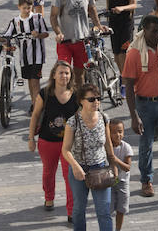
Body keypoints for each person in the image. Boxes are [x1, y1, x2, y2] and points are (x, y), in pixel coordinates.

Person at [122, 14, 158, 198]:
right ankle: (146, 180)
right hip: (144, 105)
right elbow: (129, 87)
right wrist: (133, 116)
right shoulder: (134, 53)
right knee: (145, 144)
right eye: (154, 31)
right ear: (144, 31)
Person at [62, 82, 118, 231]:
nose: (96, 102)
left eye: (98, 98)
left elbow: (108, 145)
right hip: (79, 170)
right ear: (81, 101)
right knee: (79, 209)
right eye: (91, 99)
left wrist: (113, 164)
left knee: (104, 211)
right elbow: (65, 149)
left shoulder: (104, 117)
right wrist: (75, 166)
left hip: (100, 169)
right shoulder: (73, 122)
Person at [29, 60, 77, 218]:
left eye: (67, 73)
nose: (64, 75)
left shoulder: (77, 94)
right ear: (54, 75)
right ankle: (49, 197)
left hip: (69, 145)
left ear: (71, 76)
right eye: (61, 72)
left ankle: (71, 212)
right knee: (49, 172)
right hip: (47, 141)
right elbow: (35, 115)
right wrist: (31, 138)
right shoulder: (45, 93)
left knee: (69, 177)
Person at [52, 0, 105, 82]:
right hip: (65, 42)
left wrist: (98, 25)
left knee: (79, 75)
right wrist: (58, 32)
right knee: (63, 74)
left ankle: (78, 99)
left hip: (82, 42)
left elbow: (92, 10)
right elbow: (53, 16)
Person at [94, 0, 138, 88]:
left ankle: (125, 82)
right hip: (112, 23)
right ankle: (123, 76)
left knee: (124, 53)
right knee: (116, 52)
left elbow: (134, 4)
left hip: (126, 22)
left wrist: (122, 8)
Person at [0, 0, 50, 103]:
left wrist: (38, 35)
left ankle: (36, 107)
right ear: (19, 7)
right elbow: (7, 35)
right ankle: (34, 103)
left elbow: (46, 33)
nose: (27, 10)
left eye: (29, 8)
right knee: (29, 81)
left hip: (37, 56)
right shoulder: (15, 21)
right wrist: (4, 43)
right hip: (24, 57)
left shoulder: (38, 17)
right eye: (24, 8)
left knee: (35, 81)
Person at [109, 119, 133, 231]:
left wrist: (116, 160)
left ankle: (118, 229)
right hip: (108, 183)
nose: (117, 135)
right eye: (113, 132)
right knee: (107, 209)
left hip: (123, 182)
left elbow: (127, 168)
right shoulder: (106, 148)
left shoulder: (126, 147)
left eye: (120, 131)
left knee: (121, 209)